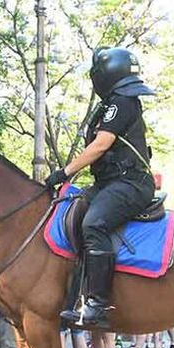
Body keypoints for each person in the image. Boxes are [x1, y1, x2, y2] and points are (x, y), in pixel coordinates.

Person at [47, 47, 156, 328]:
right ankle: (74, 295)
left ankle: (98, 304)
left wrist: (64, 173)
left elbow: (101, 145)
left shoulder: (122, 101)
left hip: (130, 183)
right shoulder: (112, 103)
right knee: (68, 209)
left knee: (94, 224)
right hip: (110, 183)